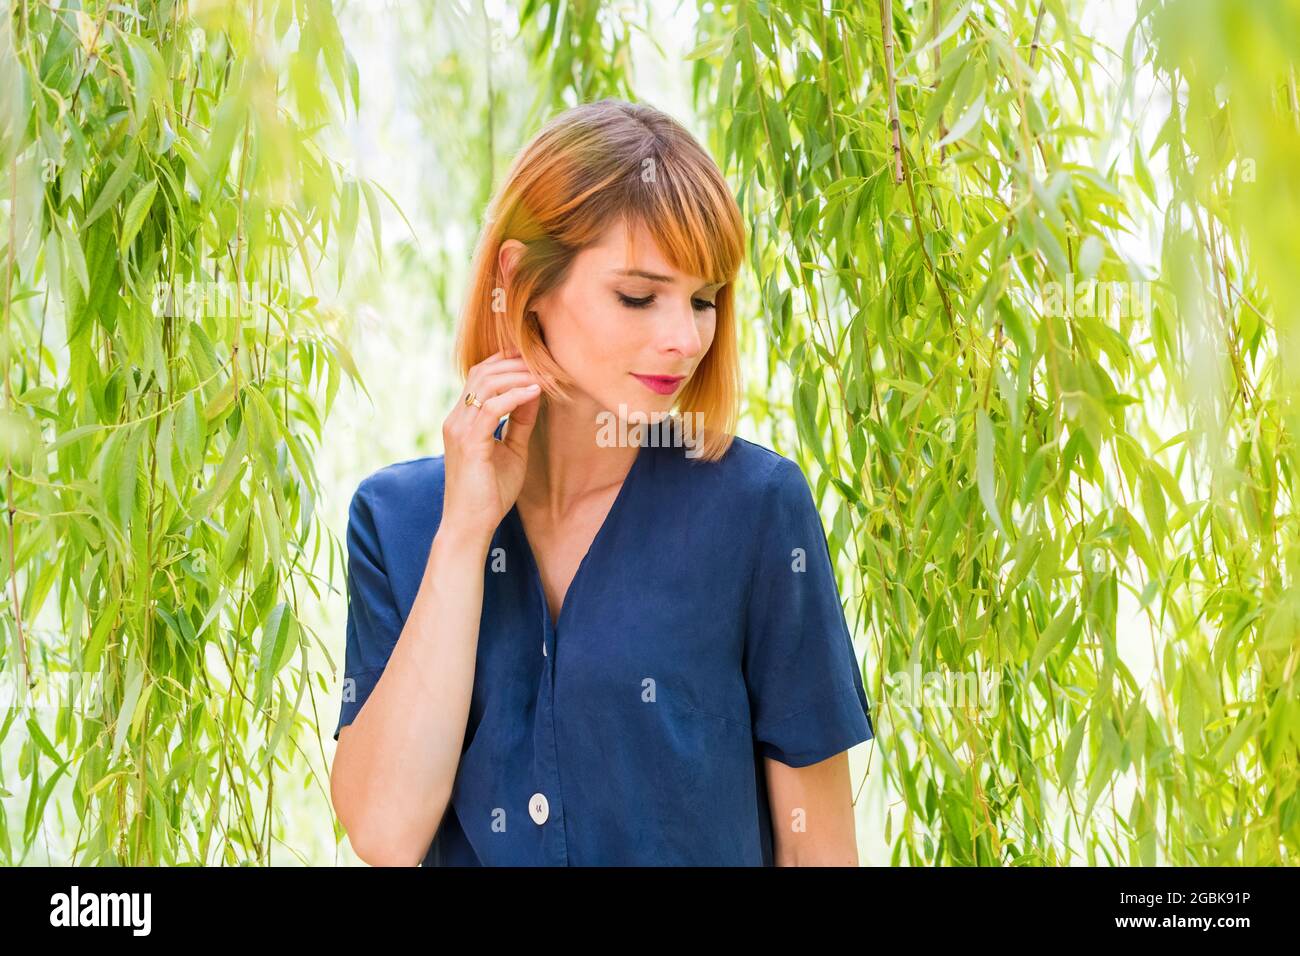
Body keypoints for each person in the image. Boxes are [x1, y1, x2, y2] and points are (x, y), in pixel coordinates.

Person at [329, 98, 875, 866]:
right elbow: (385, 834)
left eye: (703, 299)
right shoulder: (398, 521)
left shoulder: (756, 514)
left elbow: (819, 854)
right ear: (523, 281)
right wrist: (464, 535)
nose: (684, 338)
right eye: (638, 295)